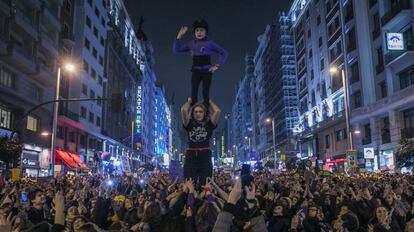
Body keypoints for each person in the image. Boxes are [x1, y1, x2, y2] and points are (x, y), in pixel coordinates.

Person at [173, 19, 228, 109]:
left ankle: (205, 115)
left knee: (205, 94)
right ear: (194, 33)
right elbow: (177, 50)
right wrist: (179, 36)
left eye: (202, 30)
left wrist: (217, 65)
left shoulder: (210, 44)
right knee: (193, 94)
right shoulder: (191, 44)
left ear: (206, 32)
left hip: (207, 71)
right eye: (197, 30)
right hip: (196, 72)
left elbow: (224, 53)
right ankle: (193, 115)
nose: (199, 32)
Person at [181, 98, 221, 190]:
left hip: (205, 156)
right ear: (192, 113)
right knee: (189, 185)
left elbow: (217, 111)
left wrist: (209, 101)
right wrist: (190, 102)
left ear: (204, 113)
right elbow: (183, 110)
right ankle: (189, 203)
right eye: (195, 112)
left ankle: (205, 202)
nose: (198, 114)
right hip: (191, 157)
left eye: (200, 111)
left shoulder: (209, 125)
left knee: (206, 184)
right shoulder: (189, 124)